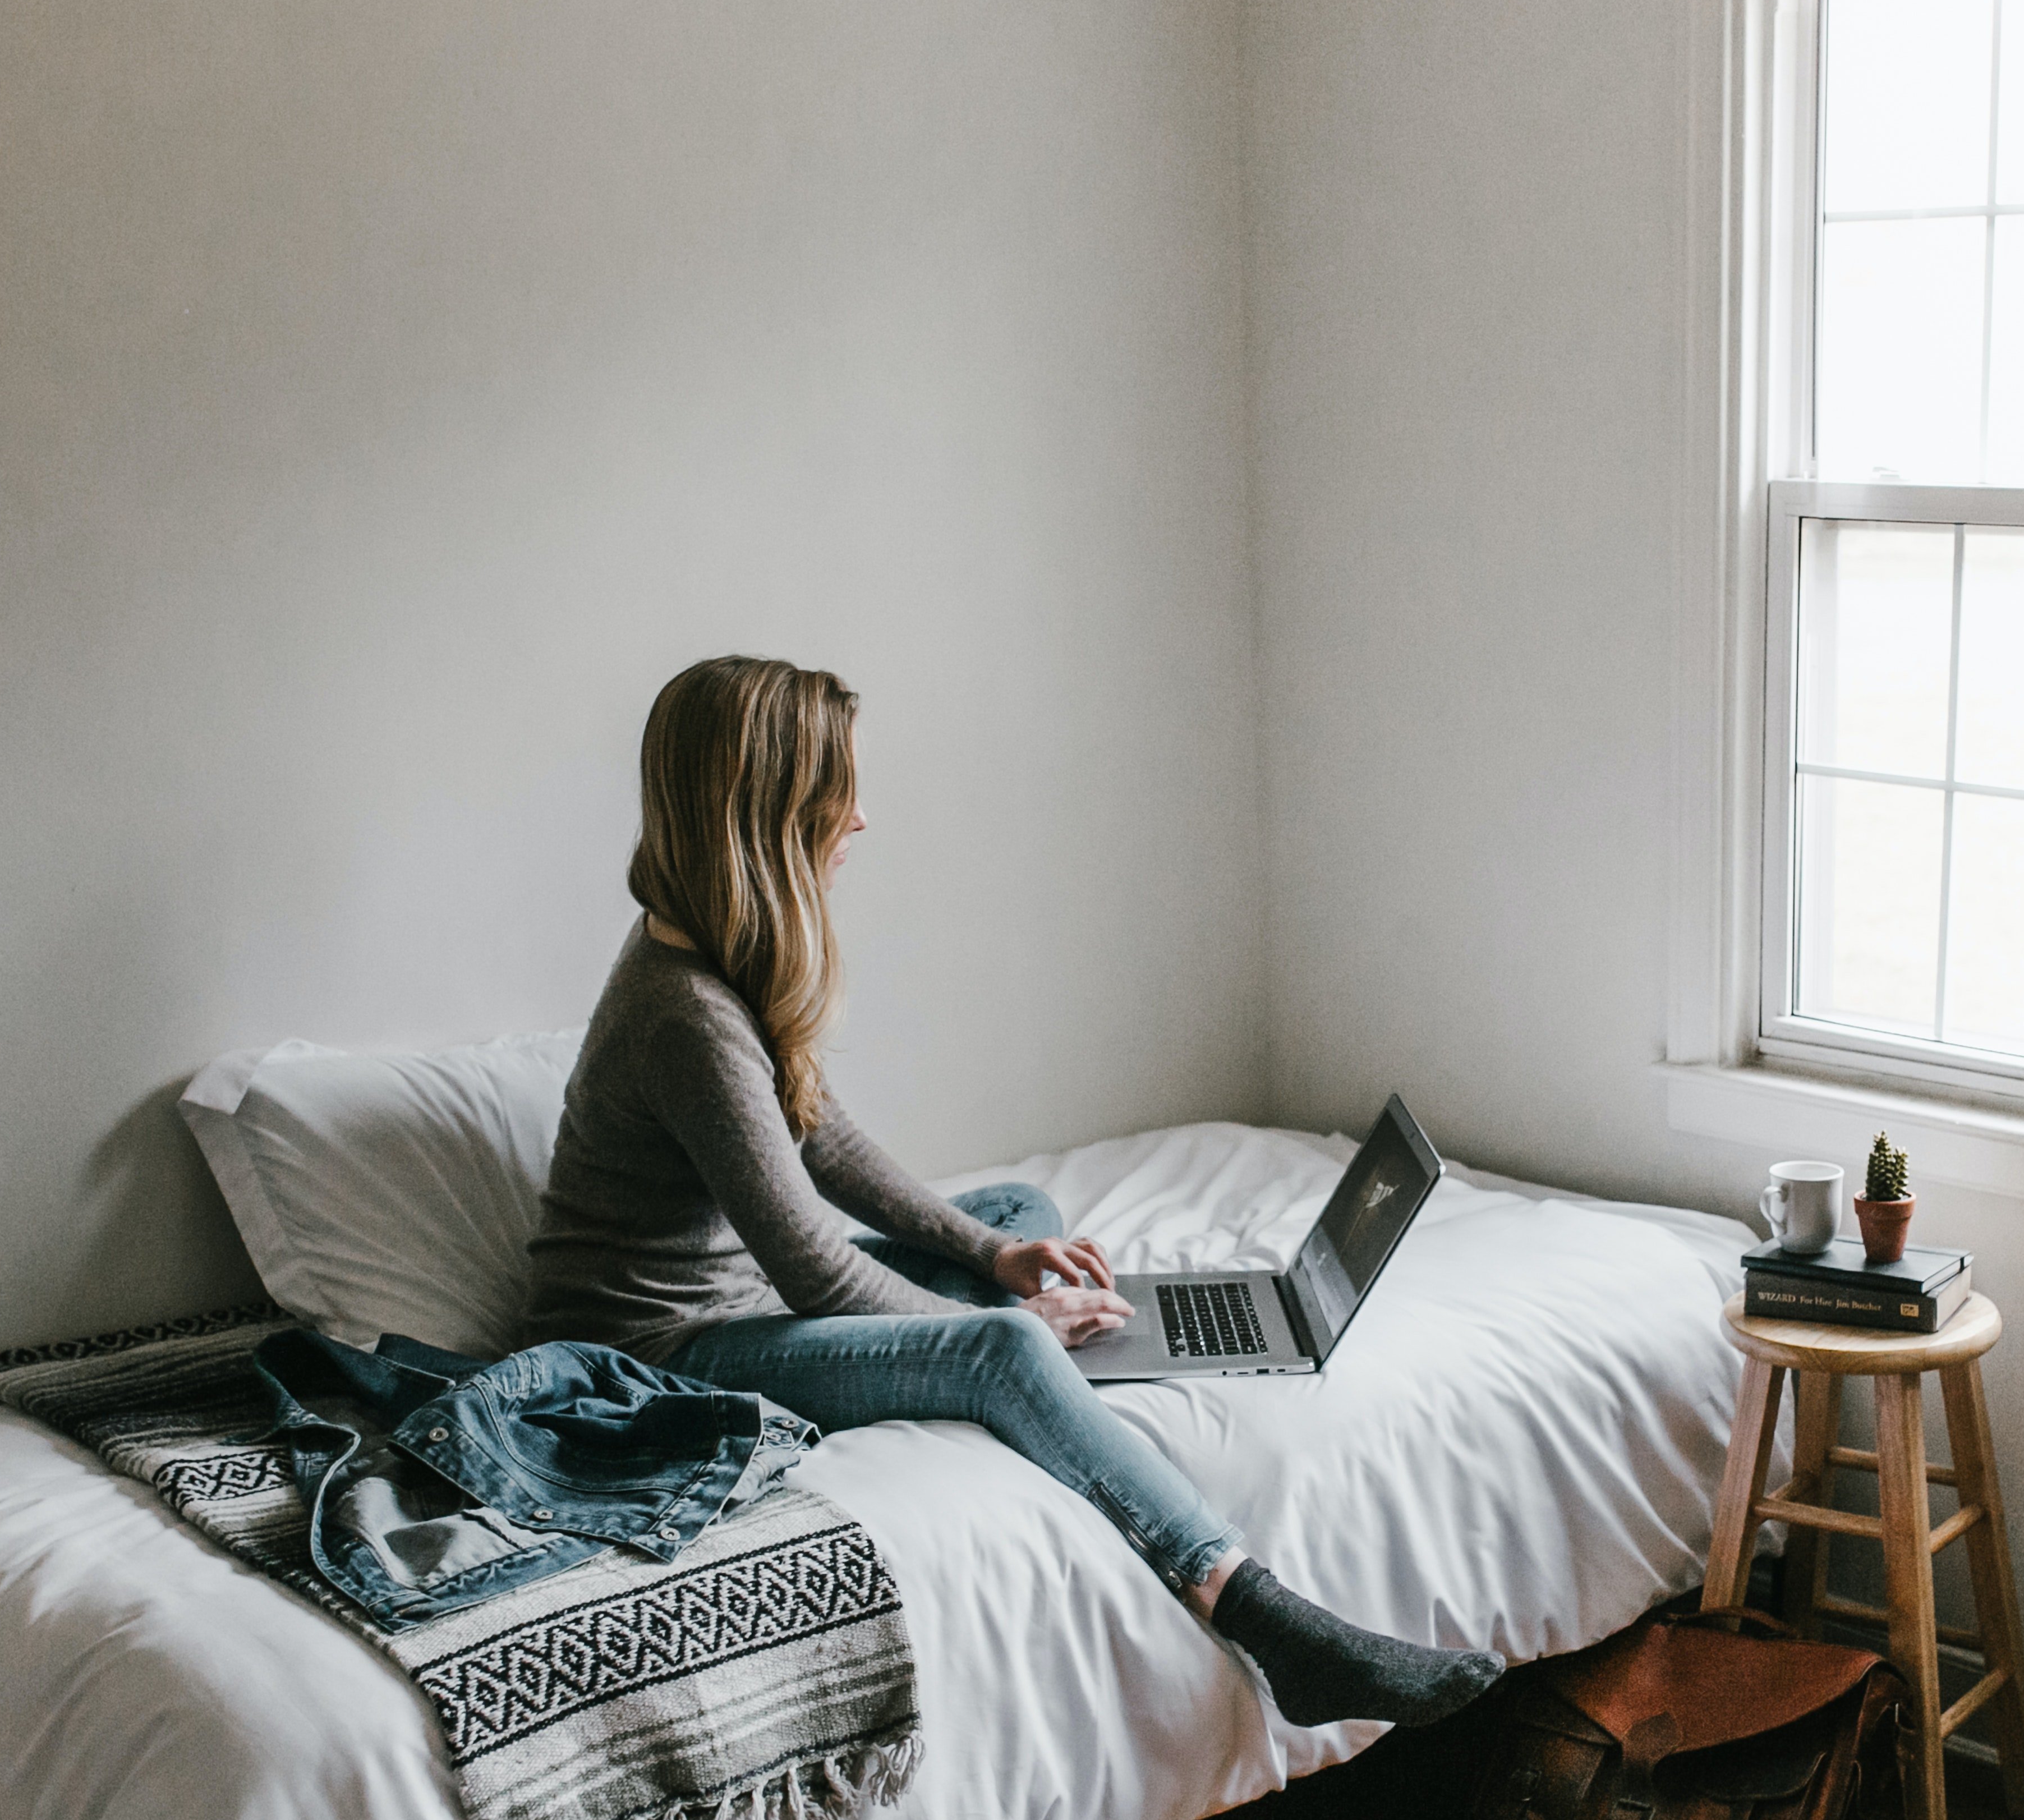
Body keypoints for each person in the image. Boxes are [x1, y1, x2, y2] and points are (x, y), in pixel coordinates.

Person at [519, 655, 1499, 1727]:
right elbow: (809, 1264)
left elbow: (823, 1137)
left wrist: (990, 1261)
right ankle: (1265, 1618)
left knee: (1014, 1218)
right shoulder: (685, 1017)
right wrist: (1004, 1323)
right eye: (835, 792)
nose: (860, 818)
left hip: (737, 1301)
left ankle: (1020, 1352)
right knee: (1006, 1348)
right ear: (769, 811)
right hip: (659, 1358)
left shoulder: (712, 954)